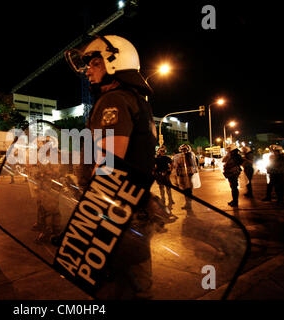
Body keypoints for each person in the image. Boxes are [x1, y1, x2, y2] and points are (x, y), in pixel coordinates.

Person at [65, 35, 157, 299]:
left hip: (116, 218)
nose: (88, 71)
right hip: (132, 209)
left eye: (95, 63)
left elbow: (108, 168)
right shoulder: (136, 100)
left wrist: (88, 223)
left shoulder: (113, 101)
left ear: (115, 62)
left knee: (114, 290)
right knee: (138, 287)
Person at [173, 144, 198, 209]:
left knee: (188, 189)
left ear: (187, 150)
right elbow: (177, 166)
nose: (184, 151)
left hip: (189, 174)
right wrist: (177, 173)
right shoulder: (179, 157)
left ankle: (189, 204)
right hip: (182, 174)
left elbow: (194, 165)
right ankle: (187, 203)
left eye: (185, 149)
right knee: (184, 189)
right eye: (182, 149)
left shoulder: (190, 156)